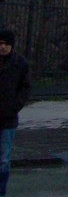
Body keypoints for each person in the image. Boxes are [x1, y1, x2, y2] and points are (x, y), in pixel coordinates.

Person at [0, 28, 31, 197]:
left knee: (4, 158)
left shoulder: (20, 64)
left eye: (5, 44)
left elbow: (25, 88)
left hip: (8, 118)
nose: (2, 47)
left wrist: (14, 106)